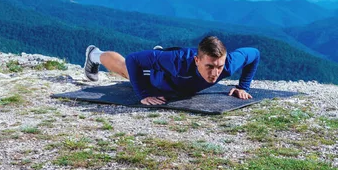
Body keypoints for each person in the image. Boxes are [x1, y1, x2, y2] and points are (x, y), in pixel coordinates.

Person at [83, 35, 260, 105]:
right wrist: (144, 93)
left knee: (159, 58)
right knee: (125, 69)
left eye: (219, 67)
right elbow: (133, 59)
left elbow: (254, 54)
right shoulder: (178, 63)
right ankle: (94, 54)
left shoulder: (228, 64)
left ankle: (156, 55)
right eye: (209, 67)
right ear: (197, 60)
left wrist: (243, 87)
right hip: (161, 79)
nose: (215, 73)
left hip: (167, 63)